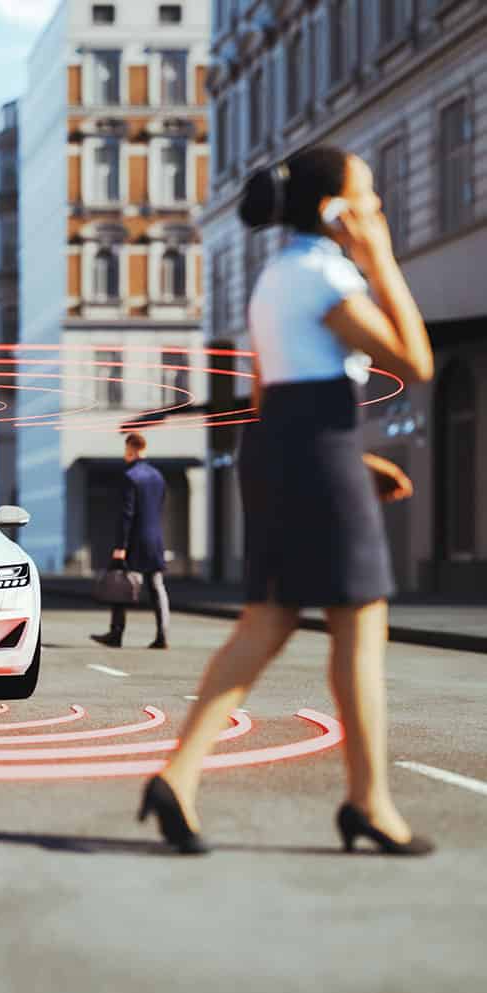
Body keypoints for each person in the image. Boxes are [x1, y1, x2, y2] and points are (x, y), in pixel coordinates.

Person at [140, 146, 435, 857]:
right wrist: (383, 257)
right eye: (367, 195)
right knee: (360, 625)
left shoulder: (276, 275)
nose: (377, 206)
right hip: (314, 448)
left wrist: (346, 456)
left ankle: (177, 777)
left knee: (266, 622)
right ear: (335, 209)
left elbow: (274, 389)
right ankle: (370, 803)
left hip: (282, 447)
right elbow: (415, 363)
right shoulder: (328, 272)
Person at [92, 433, 171, 650]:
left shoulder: (130, 476)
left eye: (126, 450)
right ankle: (163, 635)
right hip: (155, 539)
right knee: (157, 588)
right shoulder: (158, 476)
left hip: (135, 541)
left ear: (131, 449)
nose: (124, 455)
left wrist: (120, 547)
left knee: (121, 584)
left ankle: (116, 634)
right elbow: (159, 507)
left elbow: (127, 514)